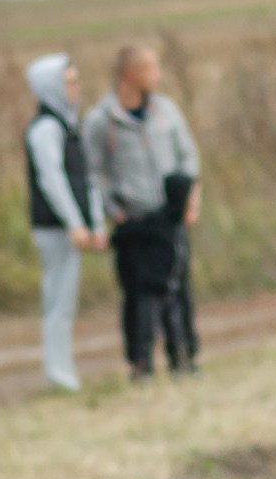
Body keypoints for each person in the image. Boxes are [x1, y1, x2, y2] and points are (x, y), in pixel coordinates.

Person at [83, 45, 203, 379]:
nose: (157, 75)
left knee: (178, 289)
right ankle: (141, 364)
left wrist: (191, 200)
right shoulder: (101, 120)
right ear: (130, 74)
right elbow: (92, 173)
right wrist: (110, 210)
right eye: (150, 68)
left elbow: (187, 156)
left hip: (169, 216)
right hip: (134, 221)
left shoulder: (166, 111)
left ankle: (184, 358)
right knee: (139, 294)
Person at [23, 54, 106, 393]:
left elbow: (86, 178)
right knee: (57, 299)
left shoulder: (70, 125)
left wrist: (96, 221)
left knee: (66, 299)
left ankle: (64, 370)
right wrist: (74, 222)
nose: (76, 88)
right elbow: (52, 181)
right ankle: (58, 372)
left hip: (75, 225)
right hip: (53, 228)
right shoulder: (45, 129)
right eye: (69, 82)